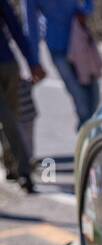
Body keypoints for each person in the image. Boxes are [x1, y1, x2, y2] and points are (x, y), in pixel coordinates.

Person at [26, 0, 96, 127]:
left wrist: (86, 10)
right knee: (78, 96)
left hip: (79, 40)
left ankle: (89, 130)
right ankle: (85, 132)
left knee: (92, 92)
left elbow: (88, 4)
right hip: (57, 48)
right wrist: (35, 62)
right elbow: (32, 26)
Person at [0, 0, 43, 191]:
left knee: (10, 118)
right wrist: (31, 61)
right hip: (9, 64)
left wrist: (33, 62)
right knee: (7, 118)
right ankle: (20, 170)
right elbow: (15, 26)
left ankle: (19, 169)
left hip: (8, 66)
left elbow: (14, 26)